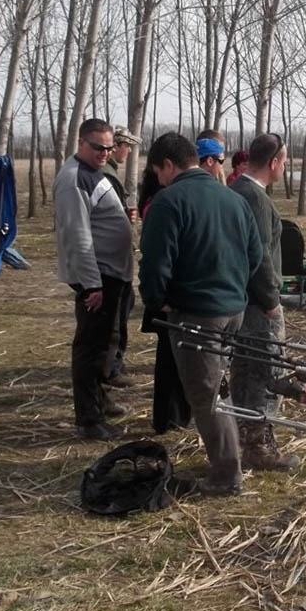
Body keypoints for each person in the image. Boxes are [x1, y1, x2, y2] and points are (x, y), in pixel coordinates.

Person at [138, 132, 264, 497]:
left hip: (196, 314)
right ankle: (228, 457)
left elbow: (155, 264)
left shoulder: (168, 201)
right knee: (218, 384)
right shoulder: (233, 197)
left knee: (207, 395)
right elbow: (255, 257)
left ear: (167, 165)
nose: (158, 179)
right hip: (233, 309)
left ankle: (227, 475)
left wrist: (156, 299)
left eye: (156, 171)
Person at [53, 119, 134, 440]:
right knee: (91, 349)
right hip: (99, 278)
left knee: (105, 345)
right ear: (81, 143)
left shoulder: (92, 173)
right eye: (98, 147)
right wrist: (92, 285)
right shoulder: (73, 180)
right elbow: (78, 237)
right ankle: (89, 420)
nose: (105, 153)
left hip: (111, 275)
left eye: (109, 147)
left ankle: (100, 399)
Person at [228, 133, 298, 471]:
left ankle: (241, 439)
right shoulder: (255, 200)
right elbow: (258, 259)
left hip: (237, 302)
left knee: (242, 369)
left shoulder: (233, 191)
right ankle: (258, 449)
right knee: (265, 371)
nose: (285, 168)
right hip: (257, 305)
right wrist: (272, 301)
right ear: (273, 163)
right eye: (284, 162)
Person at [138, 166, 191, 435]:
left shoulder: (165, 199)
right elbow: (156, 258)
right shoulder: (162, 202)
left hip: (169, 294)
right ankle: (168, 419)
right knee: (170, 362)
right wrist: (158, 299)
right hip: (168, 296)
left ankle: (175, 417)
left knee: (173, 360)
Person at [101, 125, 141, 389]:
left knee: (124, 306)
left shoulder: (109, 173)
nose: (129, 151)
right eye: (127, 146)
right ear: (117, 146)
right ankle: (112, 368)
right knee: (116, 315)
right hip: (112, 258)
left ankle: (114, 364)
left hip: (114, 256)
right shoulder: (109, 175)